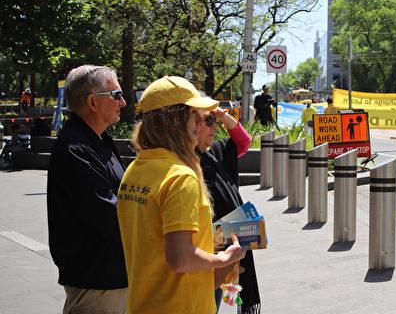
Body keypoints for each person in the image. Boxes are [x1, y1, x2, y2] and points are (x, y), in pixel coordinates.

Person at [117, 76, 245, 314]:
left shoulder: (134, 170)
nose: (200, 125)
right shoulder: (180, 177)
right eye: (195, 116)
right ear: (175, 121)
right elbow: (181, 258)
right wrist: (225, 259)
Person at [47, 65, 128, 313]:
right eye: (116, 95)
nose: (123, 102)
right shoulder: (76, 149)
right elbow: (110, 214)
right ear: (93, 102)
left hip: (111, 278)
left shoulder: (97, 140)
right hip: (97, 283)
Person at [195, 100, 261, 314]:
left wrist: (222, 116)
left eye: (214, 121)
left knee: (216, 301)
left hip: (225, 250)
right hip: (205, 252)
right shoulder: (185, 161)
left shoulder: (214, 152)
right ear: (190, 124)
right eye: (208, 121)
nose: (214, 127)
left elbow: (243, 141)